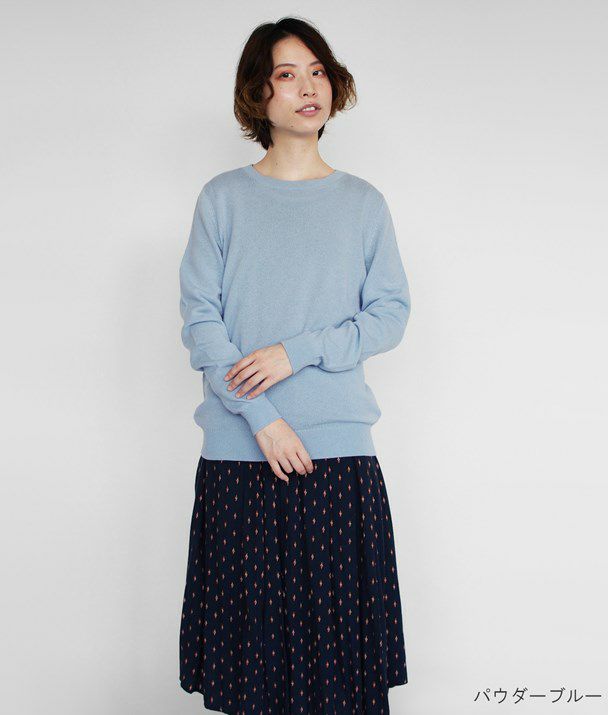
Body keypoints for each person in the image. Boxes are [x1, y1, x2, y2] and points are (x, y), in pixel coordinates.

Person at [178, 16, 410, 714]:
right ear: (258, 94)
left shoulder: (363, 203)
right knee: (252, 681)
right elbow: (202, 325)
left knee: (342, 681)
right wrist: (263, 419)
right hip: (240, 458)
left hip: (338, 456)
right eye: (286, 74)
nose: (307, 87)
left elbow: (389, 314)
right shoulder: (222, 199)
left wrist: (297, 351)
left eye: (317, 72)